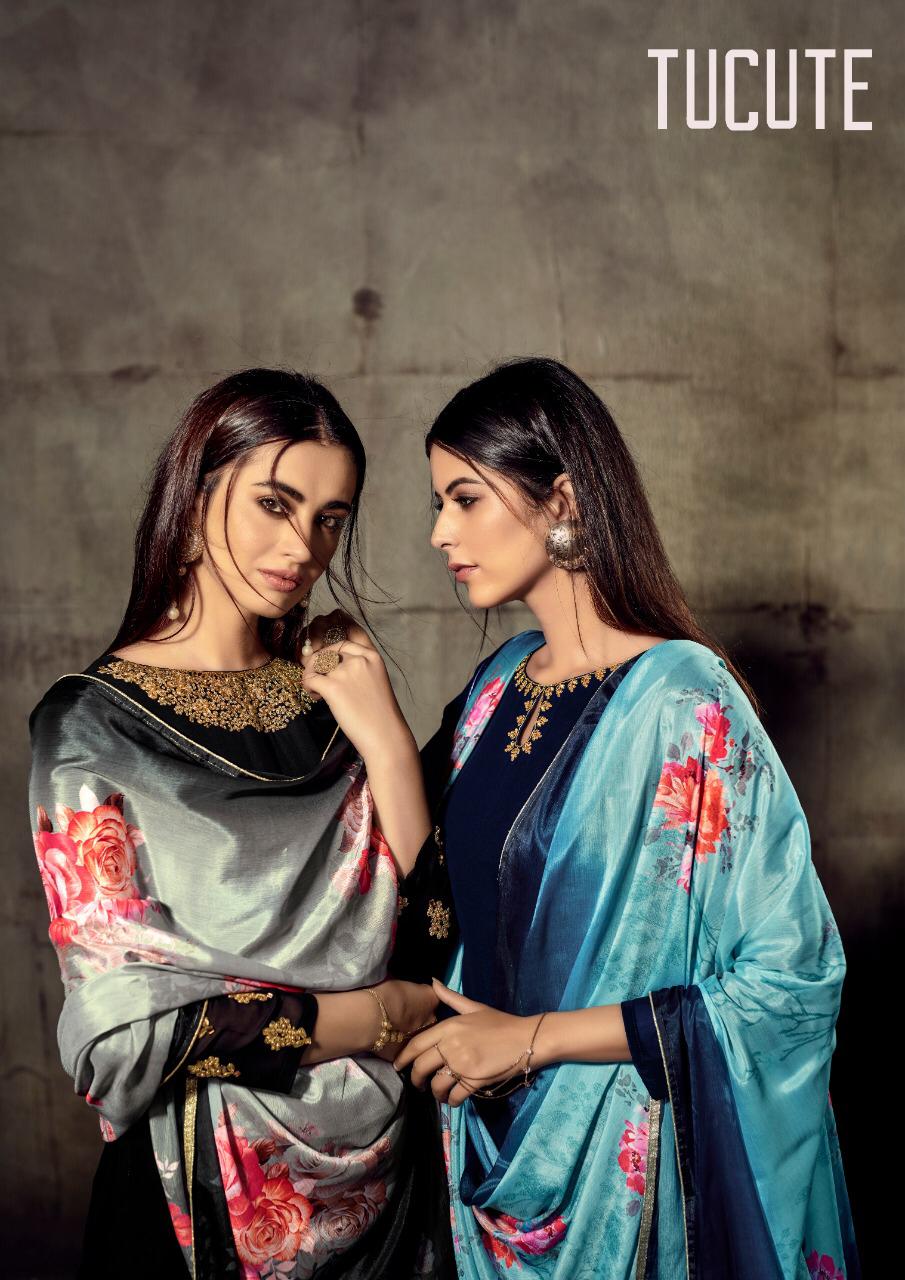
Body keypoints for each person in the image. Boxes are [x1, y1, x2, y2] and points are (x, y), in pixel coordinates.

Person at [396, 358, 860, 1280]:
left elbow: (790, 981)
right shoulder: (494, 689)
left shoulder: (685, 705)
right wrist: (375, 724)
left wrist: (528, 1040)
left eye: (465, 499)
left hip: (620, 1169)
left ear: (562, 498)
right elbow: (431, 897)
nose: (440, 531)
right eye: (437, 503)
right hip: (474, 1143)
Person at [28, 368, 455, 1279]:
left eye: (330, 518)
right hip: (191, 1191)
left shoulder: (335, 700)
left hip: (390, 1188)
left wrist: (385, 743)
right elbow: (125, 1040)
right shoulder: (93, 728)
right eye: (273, 503)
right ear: (194, 498)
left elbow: (435, 934)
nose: (302, 546)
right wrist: (370, 1018)